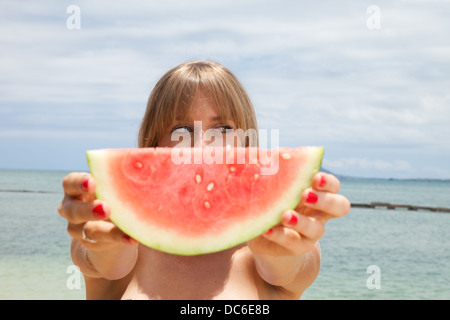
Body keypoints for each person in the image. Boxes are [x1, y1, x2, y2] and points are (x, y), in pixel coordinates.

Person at [58, 61, 350, 300]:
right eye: (182, 129)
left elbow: (289, 268)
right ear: (152, 145)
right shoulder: (116, 234)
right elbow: (102, 261)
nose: (201, 147)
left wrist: (284, 250)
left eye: (222, 128)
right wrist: (101, 241)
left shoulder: (283, 242)